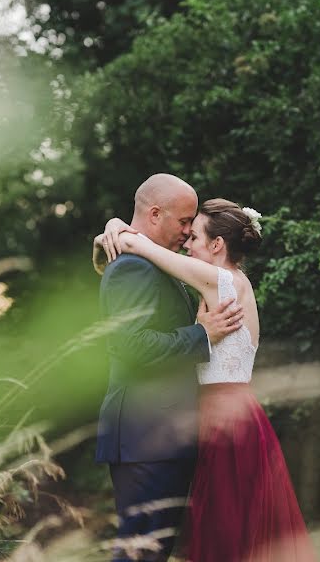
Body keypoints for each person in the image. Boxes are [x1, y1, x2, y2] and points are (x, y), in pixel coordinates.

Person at [95, 197, 316, 562]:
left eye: (194, 235)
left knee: (229, 537)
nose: (186, 242)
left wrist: (118, 229)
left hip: (226, 423)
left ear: (217, 245)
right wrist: (112, 228)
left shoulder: (221, 281)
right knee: (233, 536)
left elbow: (141, 246)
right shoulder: (227, 282)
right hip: (227, 419)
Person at [93, 174, 245, 562]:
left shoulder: (156, 264)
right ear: (155, 214)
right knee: (140, 548)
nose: (188, 230)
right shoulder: (134, 268)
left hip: (160, 434)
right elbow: (130, 346)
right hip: (146, 434)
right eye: (183, 222)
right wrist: (201, 336)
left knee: (151, 550)